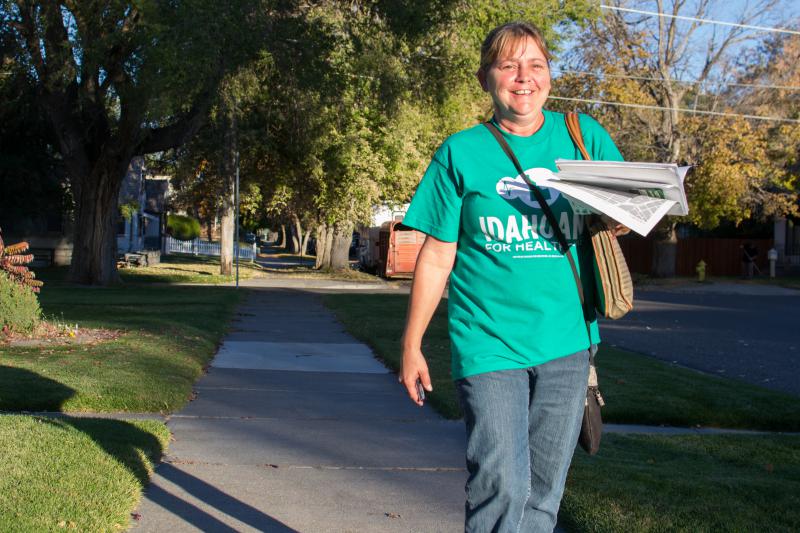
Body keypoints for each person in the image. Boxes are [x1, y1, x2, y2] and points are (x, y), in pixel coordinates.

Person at [398, 21, 627, 532]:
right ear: (486, 79)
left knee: (545, 493)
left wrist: (628, 215)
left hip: (568, 341)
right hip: (488, 342)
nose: (523, 78)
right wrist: (412, 343)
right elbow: (437, 255)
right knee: (502, 485)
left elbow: (621, 217)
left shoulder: (583, 137)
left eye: (535, 65)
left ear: (549, 75)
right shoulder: (461, 151)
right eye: (508, 65)